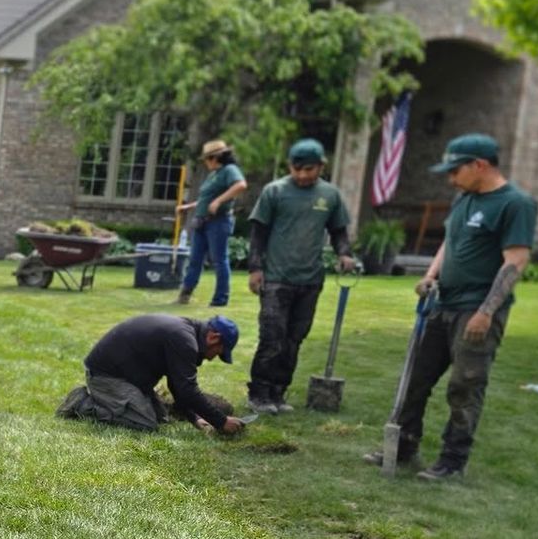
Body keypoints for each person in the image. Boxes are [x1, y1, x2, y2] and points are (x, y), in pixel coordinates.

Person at [366, 134, 535, 480]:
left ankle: (452, 461)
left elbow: (515, 261)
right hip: (442, 304)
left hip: (476, 309)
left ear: (480, 165)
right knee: (416, 377)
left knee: (465, 385)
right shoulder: (463, 198)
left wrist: (486, 312)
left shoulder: (515, 204)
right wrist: (430, 275)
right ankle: (403, 445)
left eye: (455, 170)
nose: (450, 178)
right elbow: (451, 240)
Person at [244, 138, 357, 413]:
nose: (303, 175)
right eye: (298, 169)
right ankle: (259, 392)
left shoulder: (329, 195)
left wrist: (344, 254)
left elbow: (338, 230)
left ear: (321, 166)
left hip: (310, 279)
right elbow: (258, 233)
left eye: (309, 169)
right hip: (277, 278)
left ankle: (278, 392)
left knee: (294, 339)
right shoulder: (275, 192)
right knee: (272, 336)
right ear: (289, 167)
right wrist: (256, 269)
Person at [58, 313, 245, 435]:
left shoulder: (184, 334)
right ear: (214, 338)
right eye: (218, 353)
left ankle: (113, 402)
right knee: (145, 423)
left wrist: (195, 418)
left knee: (160, 418)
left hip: (131, 379)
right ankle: (82, 403)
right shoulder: (184, 339)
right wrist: (221, 422)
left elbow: (177, 386)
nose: (213, 358)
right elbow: (186, 389)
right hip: (106, 376)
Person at [176, 139, 248, 307]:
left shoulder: (229, 170)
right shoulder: (213, 174)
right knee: (195, 259)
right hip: (202, 222)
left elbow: (241, 185)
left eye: (207, 159)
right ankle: (185, 293)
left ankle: (220, 299)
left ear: (215, 157)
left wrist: (219, 201)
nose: (205, 162)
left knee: (219, 260)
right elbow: (205, 199)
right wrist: (189, 206)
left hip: (218, 222)